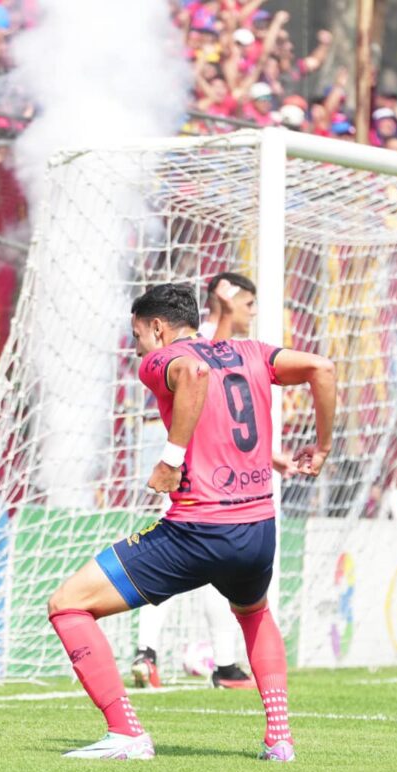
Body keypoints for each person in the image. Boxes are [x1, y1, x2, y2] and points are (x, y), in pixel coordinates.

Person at [48, 282, 335, 761]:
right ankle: (280, 740)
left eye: (138, 336)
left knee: (67, 605)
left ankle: (126, 733)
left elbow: (195, 370)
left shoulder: (163, 359)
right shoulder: (252, 351)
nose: (139, 348)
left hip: (198, 530)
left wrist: (171, 458)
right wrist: (321, 447)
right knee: (254, 613)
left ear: (157, 328)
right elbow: (321, 368)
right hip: (259, 527)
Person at [130, 273, 285, 692]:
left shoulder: (219, 351)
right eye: (248, 304)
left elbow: (225, 419)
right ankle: (222, 664)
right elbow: (202, 380)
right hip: (198, 481)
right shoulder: (206, 351)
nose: (252, 313)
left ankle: (154, 652)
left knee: (178, 571)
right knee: (219, 575)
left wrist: (269, 456)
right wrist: (173, 458)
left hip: (203, 475)